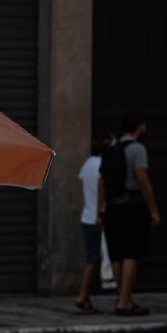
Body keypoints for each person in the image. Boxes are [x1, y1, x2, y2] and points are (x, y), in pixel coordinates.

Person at [100, 111, 161, 317]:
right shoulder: (137, 149)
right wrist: (153, 209)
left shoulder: (111, 149)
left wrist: (101, 209)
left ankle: (123, 297)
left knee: (116, 255)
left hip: (113, 206)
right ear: (139, 126)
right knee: (131, 253)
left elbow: (102, 181)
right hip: (132, 205)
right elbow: (142, 179)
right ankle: (124, 303)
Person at [75, 133, 114, 313]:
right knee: (94, 260)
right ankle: (82, 296)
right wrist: (100, 214)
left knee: (94, 259)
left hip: (87, 216)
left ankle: (85, 297)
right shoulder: (101, 166)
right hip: (95, 218)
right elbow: (100, 191)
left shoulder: (87, 164)